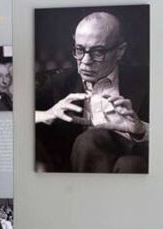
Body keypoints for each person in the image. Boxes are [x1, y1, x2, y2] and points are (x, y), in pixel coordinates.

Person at [35, 12, 149, 173]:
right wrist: (47, 114)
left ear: (120, 51)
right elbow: (13, 114)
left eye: (98, 52)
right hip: (83, 160)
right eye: (79, 50)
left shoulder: (148, 79)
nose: (85, 61)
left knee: (131, 165)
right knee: (91, 139)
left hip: (136, 159)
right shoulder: (56, 84)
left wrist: (142, 129)